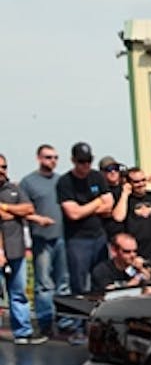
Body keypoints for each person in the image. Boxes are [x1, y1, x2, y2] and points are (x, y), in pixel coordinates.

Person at [20, 145, 71, 337]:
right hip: (41, 238)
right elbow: (24, 210)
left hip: (63, 238)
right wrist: (38, 219)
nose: (53, 161)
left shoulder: (62, 181)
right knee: (43, 284)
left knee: (64, 282)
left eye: (56, 157)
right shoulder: (28, 182)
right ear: (39, 159)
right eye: (49, 157)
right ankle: (45, 323)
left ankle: (66, 322)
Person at [57, 142, 114, 309]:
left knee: (100, 280)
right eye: (81, 161)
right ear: (73, 160)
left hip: (98, 236)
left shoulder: (97, 177)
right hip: (77, 239)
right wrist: (96, 202)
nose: (86, 165)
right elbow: (73, 214)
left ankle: (99, 318)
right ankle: (79, 324)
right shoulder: (65, 182)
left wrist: (84, 208)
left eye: (88, 161)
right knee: (79, 284)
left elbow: (109, 206)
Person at [0, 153, 46, 344]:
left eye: (4, 167)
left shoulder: (13, 189)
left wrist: (5, 209)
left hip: (16, 250)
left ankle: (23, 332)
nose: (1, 171)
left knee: (18, 293)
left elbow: (28, 209)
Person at [97, 156, 126, 240]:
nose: (113, 172)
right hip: (108, 234)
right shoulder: (101, 191)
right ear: (102, 172)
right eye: (108, 169)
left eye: (116, 168)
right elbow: (108, 213)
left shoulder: (126, 187)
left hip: (127, 234)